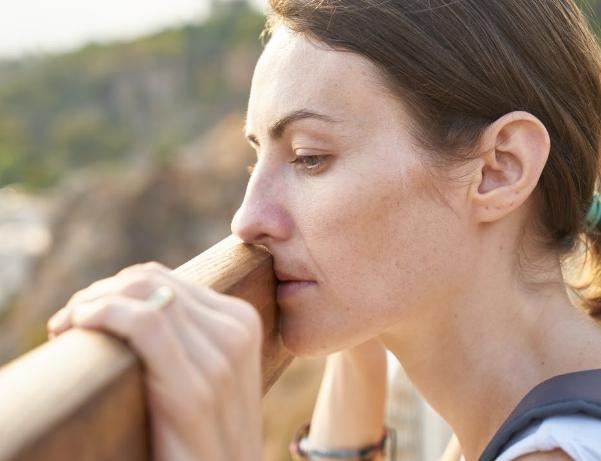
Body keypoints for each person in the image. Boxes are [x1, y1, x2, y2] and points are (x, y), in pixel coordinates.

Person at [47, 0, 601, 459]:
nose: (245, 220)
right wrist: (354, 340)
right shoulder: (529, 407)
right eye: (256, 158)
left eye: (309, 158)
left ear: (498, 168)